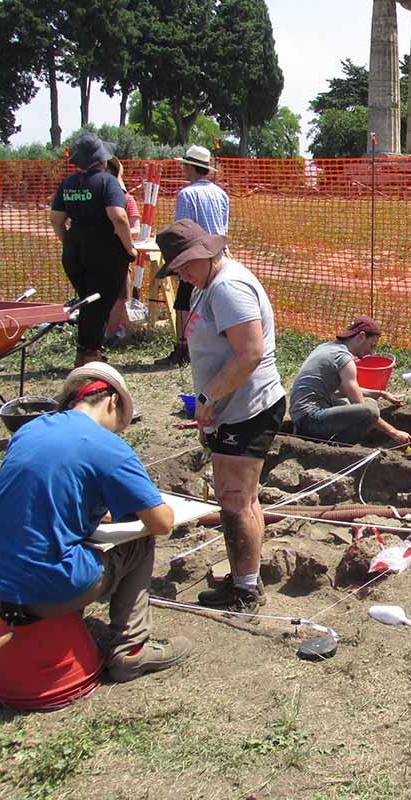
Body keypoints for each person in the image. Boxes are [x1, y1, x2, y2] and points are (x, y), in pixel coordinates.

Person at [0, 362, 192, 682]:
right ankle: (132, 648)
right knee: (141, 540)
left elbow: (45, 499)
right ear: (113, 402)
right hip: (42, 590)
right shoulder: (107, 445)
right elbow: (162, 522)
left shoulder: (30, 429)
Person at [155, 219, 286, 613]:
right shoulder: (206, 284)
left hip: (248, 407)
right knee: (244, 499)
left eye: (185, 265)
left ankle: (245, 592)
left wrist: (208, 398)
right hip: (231, 407)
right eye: (175, 268)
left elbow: (250, 352)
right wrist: (208, 405)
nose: (181, 273)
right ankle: (246, 578)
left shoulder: (228, 287)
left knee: (234, 501)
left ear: (207, 252)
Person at [49, 133, 137, 366]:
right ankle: (90, 357)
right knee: (99, 305)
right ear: (104, 160)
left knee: (88, 302)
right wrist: (130, 250)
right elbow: (119, 218)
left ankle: (86, 352)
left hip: (75, 253)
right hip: (105, 253)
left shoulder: (68, 183)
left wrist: (68, 242)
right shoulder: (108, 182)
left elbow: (56, 219)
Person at [157, 145, 230, 367]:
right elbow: (224, 227)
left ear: (191, 167)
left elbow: (183, 228)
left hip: (195, 254)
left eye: (184, 165)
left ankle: (183, 348)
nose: (182, 169)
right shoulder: (222, 194)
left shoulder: (186, 194)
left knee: (183, 304)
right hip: (218, 253)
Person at [287, 317, 411, 446]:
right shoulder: (343, 358)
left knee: (371, 403)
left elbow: (347, 390)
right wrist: (394, 432)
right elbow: (362, 406)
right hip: (310, 420)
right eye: (371, 345)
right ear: (361, 337)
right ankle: (337, 448)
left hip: (301, 416)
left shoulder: (327, 348)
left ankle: (328, 441)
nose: (370, 351)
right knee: (370, 411)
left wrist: (382, 393)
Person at [103, 157, 142, 346]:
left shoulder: (127, 199)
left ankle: (110, 335)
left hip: (118, 255)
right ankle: (112, 332)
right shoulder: (97, 198)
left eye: (106, 170)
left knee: (120, 297)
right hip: (97, 255)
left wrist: (119, 230)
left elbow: (136, 228)